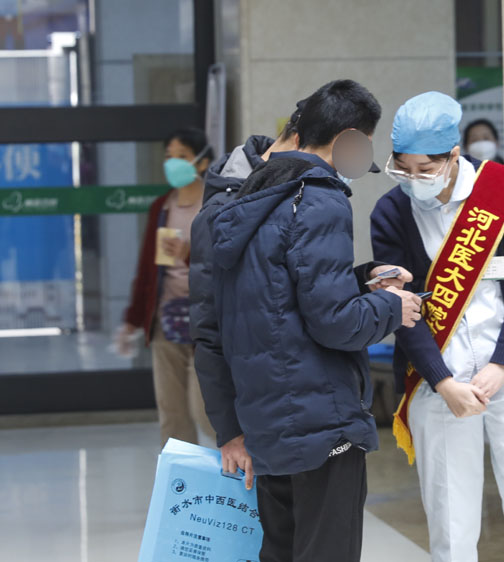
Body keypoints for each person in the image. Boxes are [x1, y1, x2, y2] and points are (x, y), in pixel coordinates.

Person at [208, 79, 422, 562]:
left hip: (270, 422)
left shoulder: (254, 194)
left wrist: (363, 280)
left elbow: (277, 298)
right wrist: (394, 307)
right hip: (321, 421)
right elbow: (335, 322)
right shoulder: (320, 197)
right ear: (349, 139)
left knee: (282, 551)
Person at [370, 91, 504, 562]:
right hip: (439, 379)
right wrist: (442, 381)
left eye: (425, 169)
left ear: (453, 156)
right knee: (451, 523)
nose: (413, 179)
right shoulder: (391, 212)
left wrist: (502, 363)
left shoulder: (502, 193)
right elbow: (401, 306)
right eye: (403, 168)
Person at [189, 101, 304, 469]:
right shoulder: (223, 207)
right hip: (256, 412)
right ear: (300, 141)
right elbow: (209, 329)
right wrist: (229, 431)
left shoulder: (301, 195)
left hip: (296, 409)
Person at [119, 127, 215, 446]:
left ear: (202, 162)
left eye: (181, 157)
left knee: (206, 411)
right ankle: (181, 477)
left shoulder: (216, 205)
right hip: (167, 321)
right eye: (168, 156)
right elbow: (147, 268)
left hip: (208, 323)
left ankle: (240, 470)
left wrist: (189, 253)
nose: (172, 163)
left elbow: (227, 264)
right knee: (172, 414)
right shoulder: (162, 207)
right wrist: (133, 320)